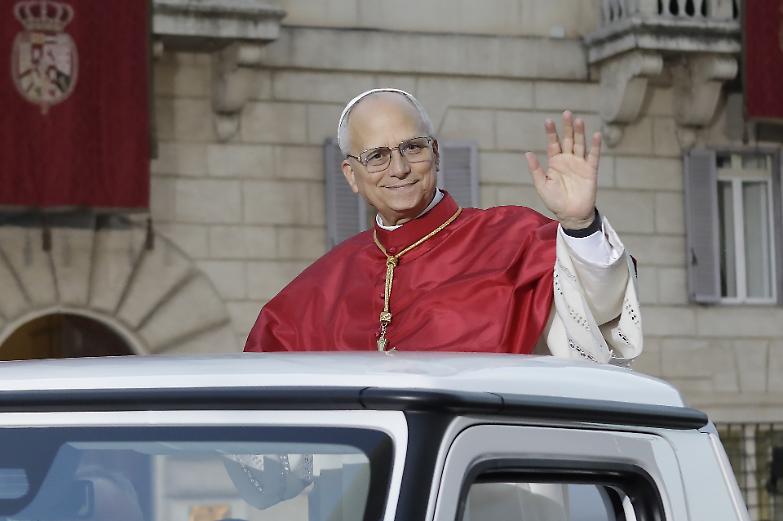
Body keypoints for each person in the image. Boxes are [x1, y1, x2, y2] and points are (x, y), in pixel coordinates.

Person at [245, 88, 642, 363]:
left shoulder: (513, 238)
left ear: (435, 153)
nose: (399, 169)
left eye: (412, 148)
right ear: (351, 174)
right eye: (377, 156)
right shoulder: (316, 288)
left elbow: (600, 312)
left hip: (489, 475)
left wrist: (578, 224)